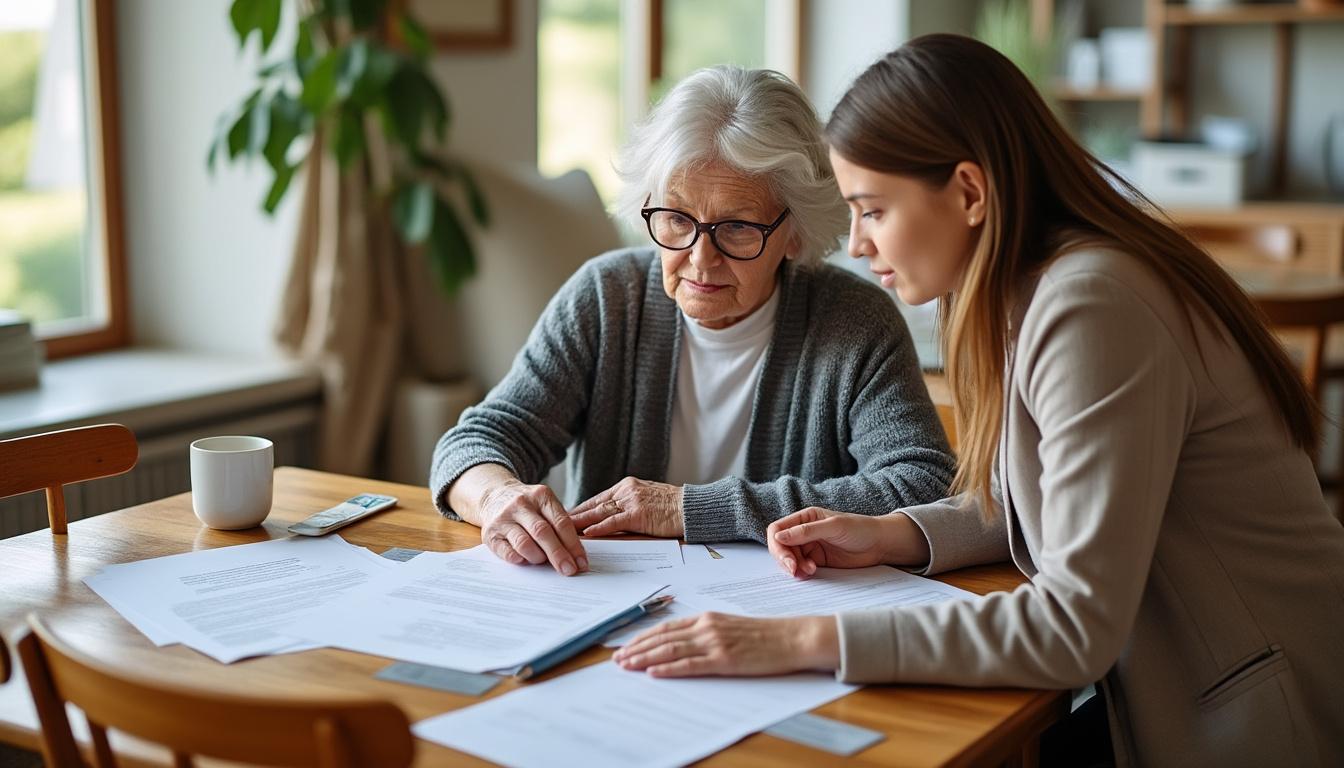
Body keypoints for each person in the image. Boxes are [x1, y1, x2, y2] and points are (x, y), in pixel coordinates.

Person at [613, 35, 1344, 767]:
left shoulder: (1092, 304)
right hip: (1175, 696)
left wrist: (802, 639)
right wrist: (896, 533)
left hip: (1267, 718)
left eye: (872, 210)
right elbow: (1036, 498)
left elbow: (1070, 627)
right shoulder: (1033, 290)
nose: (857, 245)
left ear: (969, 192)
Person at [430, 65, 955, 578]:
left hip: (781, 612)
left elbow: (923, 483)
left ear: (795, 233)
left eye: (738, 228)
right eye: (677, 219)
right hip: (608, 600)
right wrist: (498, 495)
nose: (701, 259)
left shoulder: (855, 323)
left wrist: (688, 508)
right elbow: (475, 443)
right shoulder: (607, 297)